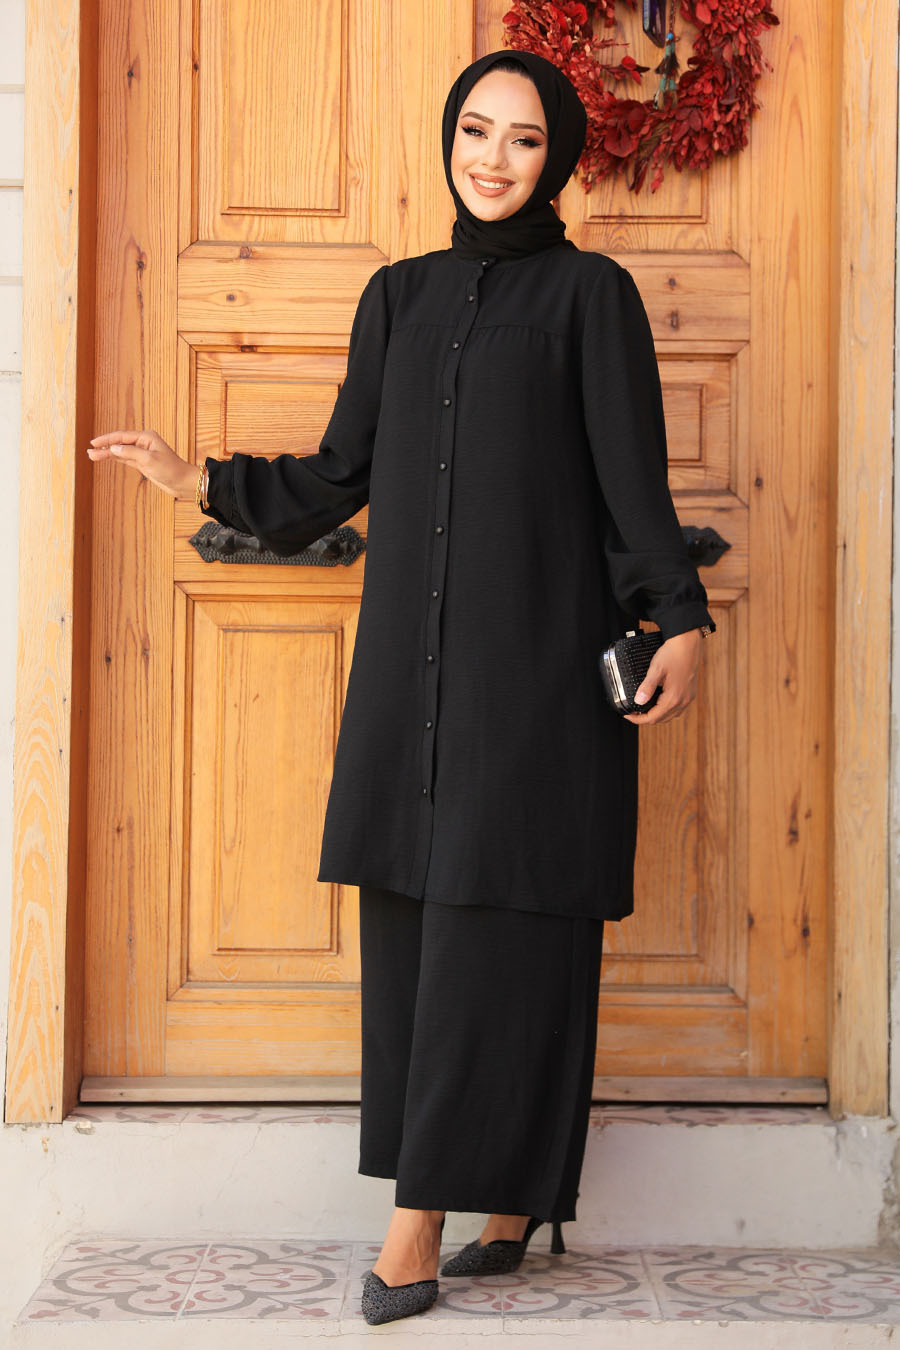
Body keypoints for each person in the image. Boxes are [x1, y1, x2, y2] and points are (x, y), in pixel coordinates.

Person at [87, 48, 715, 1329]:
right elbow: (339, 473)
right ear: (449, 139)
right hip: (411, 678)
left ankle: (418, 1220)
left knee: (509, 931)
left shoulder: (591, 297)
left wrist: (682, 618)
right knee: (417, 937)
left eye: (523, 139)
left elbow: (633, 484)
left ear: (558, 159)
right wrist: (196, 479)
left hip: (536, 671)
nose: (493, 158)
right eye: (476, 131)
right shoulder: (398, 297)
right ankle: (507, 1204)